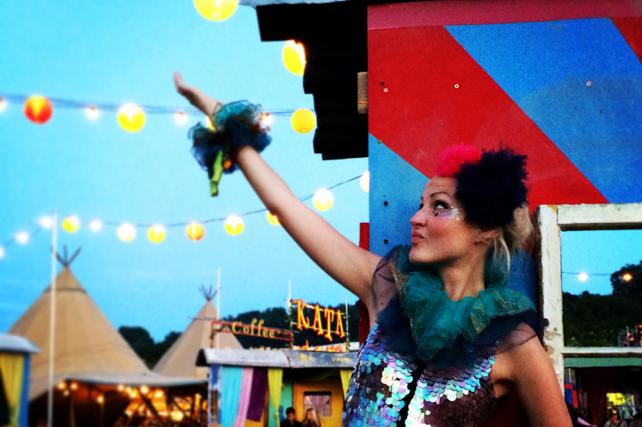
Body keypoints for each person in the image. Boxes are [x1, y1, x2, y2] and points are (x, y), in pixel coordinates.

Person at [174, 73, 572, 426]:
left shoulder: (515, 345)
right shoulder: (386, 287)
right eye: (420, 204)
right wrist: (222, 117)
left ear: (484, 230)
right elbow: (287, 207)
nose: (417, 218)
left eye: (439, 207)